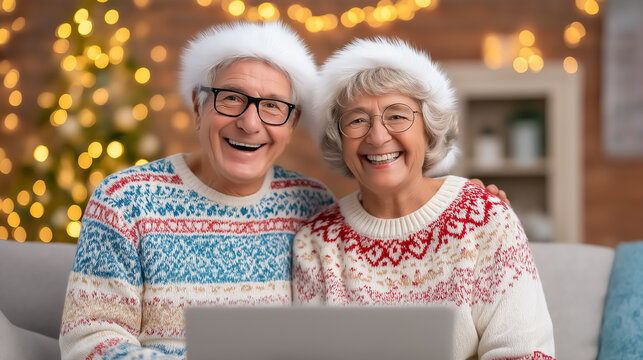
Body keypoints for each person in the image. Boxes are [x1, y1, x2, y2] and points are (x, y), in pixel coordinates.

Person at [59, 21, 335, 359]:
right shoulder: (125, 200)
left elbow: (327, 338)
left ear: (292, 124)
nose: (250, 123)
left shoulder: (314, 206)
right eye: (232, 98)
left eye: (273, 106)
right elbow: (90, 341)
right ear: (197, 106)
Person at [292, 37, 556, 359]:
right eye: (357, 120)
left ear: (428, 130)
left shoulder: (484, 217)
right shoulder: (317, 241)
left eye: (398, 116)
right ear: (339, 139)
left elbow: (525, 352)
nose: (377, 136)